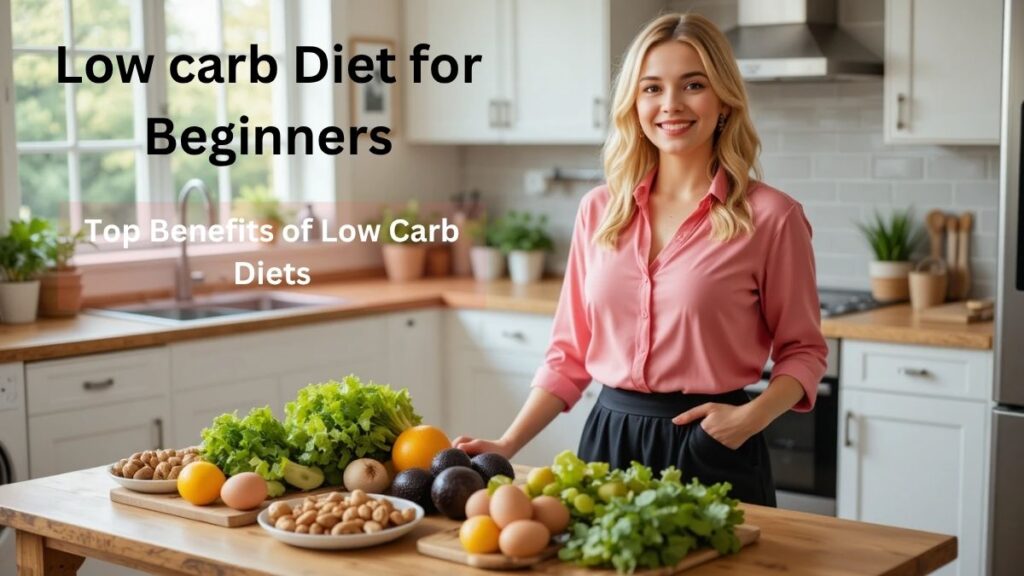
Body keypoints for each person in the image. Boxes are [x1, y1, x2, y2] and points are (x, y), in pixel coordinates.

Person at [452, 13, 828, 507]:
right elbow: (568, 354)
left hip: (713, 442)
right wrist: (507, 444)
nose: (670, 104)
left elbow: (804, 350)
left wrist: (750, 418)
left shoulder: (771, 217)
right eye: (652, 88)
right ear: (634, 103)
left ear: (723, 100)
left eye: (693, 85)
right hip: (609, 440)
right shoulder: (599, 210)